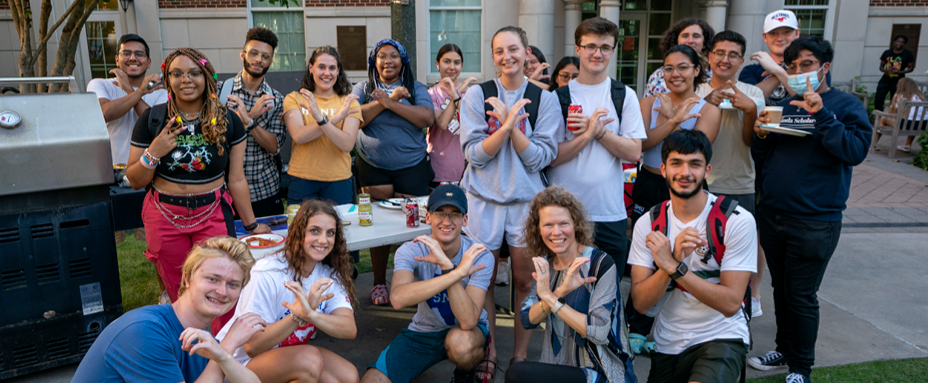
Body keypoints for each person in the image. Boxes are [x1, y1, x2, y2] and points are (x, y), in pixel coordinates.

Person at [749, 36, 872, 383]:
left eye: (807, 64)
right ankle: (784, 350)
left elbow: (853, 150)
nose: (800, 72)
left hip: (815, 222)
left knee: (801, 295)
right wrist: (760, 136)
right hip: (774, 215)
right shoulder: (785, 105)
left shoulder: (846, 106)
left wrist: (821, 113)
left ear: (824, 67)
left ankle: (801, 367)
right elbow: (766, 158)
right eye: (793, 66)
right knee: (781, 289)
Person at [127, 48, 271, 305]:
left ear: (206, 76)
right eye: (177, 74)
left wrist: (251, 225)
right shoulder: (152, 119)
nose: (186, 80)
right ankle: (184, 342)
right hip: (164, 217)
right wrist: (153, 152)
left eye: (194, 73)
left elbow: (236, 179)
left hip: (212, 214)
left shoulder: (229, 121)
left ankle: (220, 343)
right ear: (167, 79)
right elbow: (136, 180)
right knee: (178, 292)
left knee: (219, 288)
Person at [459, 25, 560, 382]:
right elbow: (474, 154)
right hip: (482, 200)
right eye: (499, 51)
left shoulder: (545, 99)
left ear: (526, 51)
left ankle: (518, 355)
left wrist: (511, 125)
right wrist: (504, 128)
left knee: (523, 280)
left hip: (525, 202)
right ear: (493, 56)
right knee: (482, 279)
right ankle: (489, 350)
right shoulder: (477, 95)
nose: (507, 57)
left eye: (513, 49)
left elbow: (540, 158)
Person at [628, 129, 757, 383]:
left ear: (707, 171)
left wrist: (674, 267)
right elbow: (641, 304)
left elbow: (731, 304)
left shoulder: (735, 220)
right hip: (669, 341)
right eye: (676, 163)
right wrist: (668, 264)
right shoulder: (649, 223)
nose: (685, 173)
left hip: (722, 335)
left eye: (694, 164)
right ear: (663, 169)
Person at [626, 44, 720, 355]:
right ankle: (636, 325)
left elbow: (693, 149)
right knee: (646, 254)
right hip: (650, 182)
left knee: (680, 253)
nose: (675, 74)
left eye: (683, 67)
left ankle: (670, 323)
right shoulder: (649, 103)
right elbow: (639, 146)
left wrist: (676, 121)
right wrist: (668, 119)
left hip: (684, 189)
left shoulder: (708, 110)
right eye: (668, 68)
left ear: (697, 70)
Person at [72, 237, 266, 383]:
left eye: (233, 284)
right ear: (188, 278)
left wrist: (223, 353)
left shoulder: (202, 338)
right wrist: (226, 346)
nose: (222, 291)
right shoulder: (145, 332)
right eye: (212, 279)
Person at [360, 184, 494, 383]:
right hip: (423, 332)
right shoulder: (411, 250)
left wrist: (447, 268)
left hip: (467, 334)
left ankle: (466, 374)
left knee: (461, 344)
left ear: (465, 220)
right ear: (428, 217)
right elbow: (397, 299)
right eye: (440, 212)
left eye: (454, 214)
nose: (446, 221)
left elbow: (468, 321)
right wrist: (452, 272)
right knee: (372, 380)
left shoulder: (479, 254)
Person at [217, 200, 359, 383]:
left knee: (347, 376)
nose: (323, 240)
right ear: (299, 232)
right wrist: (296, 316)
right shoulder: (268, 272)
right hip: (238, 365)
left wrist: (309, 314)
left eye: (330, 233)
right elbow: (252, 346)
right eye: (314, 231)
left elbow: (349, 329)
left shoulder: (328, 273)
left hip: (282, 356)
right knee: (309, 361)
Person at [548, 17, 646, 280]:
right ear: (577, 49)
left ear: (613, 51)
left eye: (605, 47)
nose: (597, 53)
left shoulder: (623, 94)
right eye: (590, 46)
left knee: (608, 291)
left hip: (609, 212)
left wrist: (599, 132)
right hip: (564, 212)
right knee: (564, 290)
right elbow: (552, 157)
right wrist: (589, 133)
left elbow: (634, 152)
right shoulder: (559, 97)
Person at [508, 185, 636, 383]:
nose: (556, 232)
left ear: (576, 224)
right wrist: (559, 291)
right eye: (548, 225)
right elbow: (527, 318)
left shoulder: (600, 264)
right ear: (538, 228)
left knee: (517, 374)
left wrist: (551, 297)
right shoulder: (547, 266)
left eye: (563, 223)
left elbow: (600, 332)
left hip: (604, 373)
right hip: (561, 368)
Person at [352, 39, 435, 306]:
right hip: (372, 166)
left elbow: (426, 118)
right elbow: (356, 117)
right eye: (382, 56)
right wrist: (386, 101)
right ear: (374, 62)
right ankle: (378, 283)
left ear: (403, 61)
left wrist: (390, 102)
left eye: (394, 56)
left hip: (411, 166)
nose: (388, 61)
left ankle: (413, 285)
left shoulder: (416, 87)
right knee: (378, 229)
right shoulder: (363, 88)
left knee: (414, 229)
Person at [695, 30, 766, 317]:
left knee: (737, 257)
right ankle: (699, 312)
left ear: (741, 61)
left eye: (733, 55)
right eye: (720, 53)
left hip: (740, 183)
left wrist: (750, 111)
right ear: (709, 56)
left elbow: (754, 142)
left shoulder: (754, 93)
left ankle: (739, 315)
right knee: (699, 254)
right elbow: (692, 141)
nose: (725, 59)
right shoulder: (695, 91)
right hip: (699, 185)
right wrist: (708, 102)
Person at [219, 26, 287, 218]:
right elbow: (212, 136)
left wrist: (249, 121)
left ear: (270, 62)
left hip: (264, 191)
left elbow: (274, 147)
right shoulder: (220, 92)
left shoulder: (275, 100)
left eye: (265, 56)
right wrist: (251, 114)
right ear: (243, 54)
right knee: (228, 248)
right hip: (225, 192)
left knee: (269, 246)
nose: (259, 59)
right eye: (254, 53)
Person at [283, 46, 363, 205]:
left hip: (338, 180)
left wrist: (320, 118)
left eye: (332, 68)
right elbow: (299, 136)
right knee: (301, 229)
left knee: (339, 228)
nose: (327, 73)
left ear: (338, 71)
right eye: (321, 67)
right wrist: (336, 118)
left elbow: (347, 144)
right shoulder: (295, 98)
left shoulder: (349, 102)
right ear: (311, 68)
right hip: (302, 179)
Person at [89, 34, 168, 167]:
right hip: (110, 168)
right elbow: (104, 113)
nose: (132, 58)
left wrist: (129, 90)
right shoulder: (100, 85)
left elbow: (156, 126)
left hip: (147, 168)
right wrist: (139, 92)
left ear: (148, 62)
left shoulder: (161, 93)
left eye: (139, 54)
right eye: (126, 53)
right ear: (117, 60)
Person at [428, 43, 478, 187]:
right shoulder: (431, 94)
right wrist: (455, 95)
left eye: (456, 63)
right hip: (439, 167)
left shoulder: (471, 93)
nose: (452, 67)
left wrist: (458, 93)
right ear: (437, 64)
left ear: (462, 65)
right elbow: (442, 123)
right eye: (446, 61)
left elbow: (474, 122)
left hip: (466, 168)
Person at [739, 10, 801, 107]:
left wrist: (778, 71)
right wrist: (781, 71)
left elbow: (808, 103)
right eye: (773, 33)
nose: (780, 38)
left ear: (797, 33)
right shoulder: (751, 71)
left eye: (787, 32)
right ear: (764, 37)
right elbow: (749, 102)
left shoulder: (812, 67)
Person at [644, 19, 715, 98]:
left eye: (696, 36)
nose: (690, 41)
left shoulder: (714, 75)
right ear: (676, 41)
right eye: (685, 36)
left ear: (704, 43)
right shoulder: (658, 76)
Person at [876, 77, 924, 152]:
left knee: (883, 118)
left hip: (906, 125)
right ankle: (907, 146)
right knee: (913, 120)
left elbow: (891, 113)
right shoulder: (920, 97)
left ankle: (874, 144)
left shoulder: (899, 96)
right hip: (921, 125)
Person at [875, 35, 916, 114]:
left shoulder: (908, 54)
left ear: (904, 44)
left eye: (902, 42)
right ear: (894, 42)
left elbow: (911, 68)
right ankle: (879, 117)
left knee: (895, 101)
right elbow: (881, 67)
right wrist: (886, 70)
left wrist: (900, 72)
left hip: (898, 81)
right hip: (885, 80)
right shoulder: (887, 52)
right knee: (878, 99)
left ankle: (892, 118)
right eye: (898, 41)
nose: (899, 43)